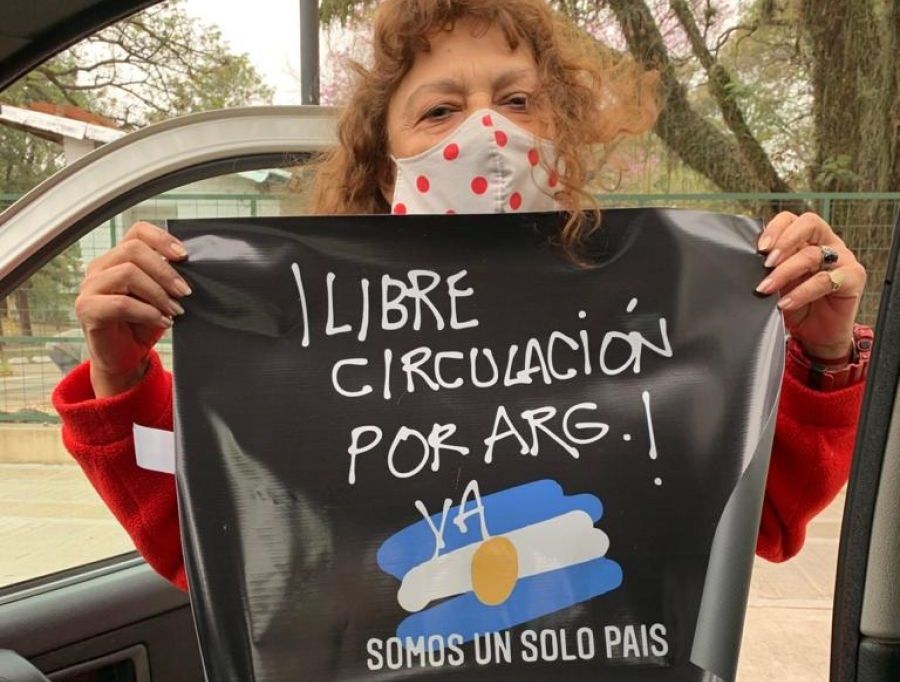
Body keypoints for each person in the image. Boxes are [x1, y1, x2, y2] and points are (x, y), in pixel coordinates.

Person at [53, 0, 871, 593]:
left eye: (517, 102)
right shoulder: (305, 338)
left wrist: (822, 352)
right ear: (384, 166)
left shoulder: (651, 314)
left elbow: (761, 517)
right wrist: (120, 380)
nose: (488, 133)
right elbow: (211, 545)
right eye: (441, 109)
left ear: (561, 139)